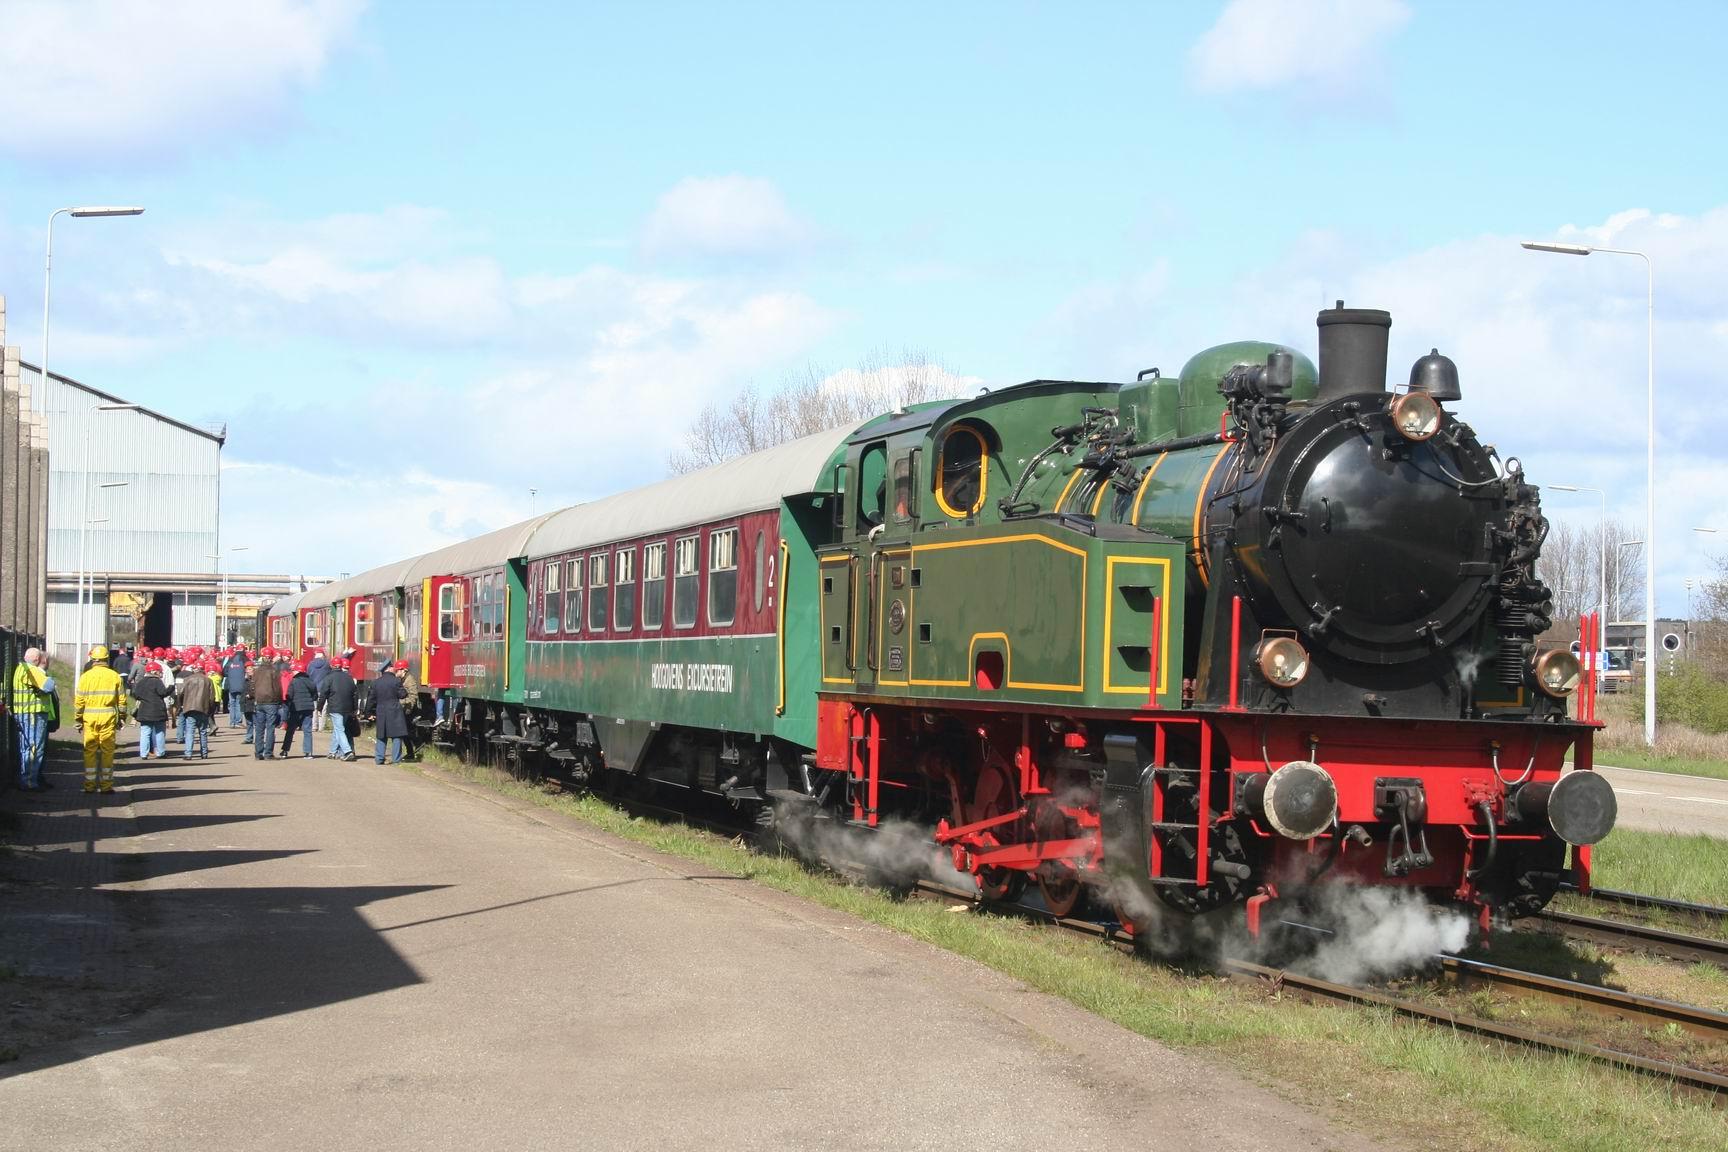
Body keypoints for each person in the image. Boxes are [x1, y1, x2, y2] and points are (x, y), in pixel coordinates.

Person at [74, 645, 127, 793]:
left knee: (89, 751)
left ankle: (89, 785)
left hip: (89, 718)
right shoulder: (114, 676)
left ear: (93, 659)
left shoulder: (85, 677)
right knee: (107, 751)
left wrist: (78, 720)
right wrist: (122, 717)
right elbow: (122, 701)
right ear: (106, 659)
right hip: (108, 718)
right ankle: (106, 786)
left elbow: (79, 702)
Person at [10, 647, 57, 791]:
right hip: (33, 714)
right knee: (34, 747)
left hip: (23, 712)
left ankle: (27, 779)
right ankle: (30, 781)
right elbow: (49, 686)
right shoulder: (31, 670)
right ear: (37, 660)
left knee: (26, 748)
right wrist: (47, 677)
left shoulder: (20, 668)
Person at [318, 655, 359, 761]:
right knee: (338, 729)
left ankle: (347, 751)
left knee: (339, 729)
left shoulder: (329, 678)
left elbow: (323, 694)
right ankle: (332, 752)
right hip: (348, 708)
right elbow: (355, 694)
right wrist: (355, 708)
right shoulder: (349, 678)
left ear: (331, 666)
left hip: (335, 708)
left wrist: (319, 707)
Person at [131, 660, 173, 760]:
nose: (161, 673)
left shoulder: (141, 682)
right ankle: (160, 752)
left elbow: (135, 694)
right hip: (158, 711)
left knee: (145, 732)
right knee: (159, 732)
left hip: (144, 711)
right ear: (154, 671)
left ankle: (143, 754)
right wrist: (170, 688)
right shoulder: (157, 681)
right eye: (159, 671)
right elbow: (162, 693)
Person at [371, 660, 409, 765]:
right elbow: (403, 695)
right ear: (388, 668)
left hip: (381, 711)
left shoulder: (376, 682)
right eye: (392, 666)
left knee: (381, 735)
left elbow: (372, 699)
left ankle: (379, 759)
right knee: (396, 736)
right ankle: (396, 760)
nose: (394, 668)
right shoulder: (396, 681)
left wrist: (369, 713)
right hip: (394, 711)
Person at [177, 659, 216, 759]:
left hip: (190, 709)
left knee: (190, 731)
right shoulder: (208, 680)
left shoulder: (188, 679)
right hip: (203, 708)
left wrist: (181, 705)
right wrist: (211, 710)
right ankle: (204, 753)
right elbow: (212, 698)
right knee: (203, 732)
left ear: (194, 669)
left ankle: (188, 754)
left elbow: (180, 693)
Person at [281, 660, 318, 758]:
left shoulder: (294, 681)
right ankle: (308, 752)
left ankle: (285, 750)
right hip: (308, 708)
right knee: (307, 730)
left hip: (296, 708)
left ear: (298, 671)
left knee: (290, 730)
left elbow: (289, 695)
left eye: (294, 670)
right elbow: (315, 695)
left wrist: (288, 706)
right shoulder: (310, 681)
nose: (292, 672)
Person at [249, 651, 283, 759]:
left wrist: (252, 696)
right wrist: (280, 700)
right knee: (270, 728)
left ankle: (258, 753)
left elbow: (252, 685)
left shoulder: (257, 671)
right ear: (271, 658)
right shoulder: (274, 671)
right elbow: (278, 688)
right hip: (271, 701)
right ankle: (268, 753)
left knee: (259, 727)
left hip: (259, 701)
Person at [222, 645, 249, 727]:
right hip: (241, 684)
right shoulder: (245, 659)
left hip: (231, 685)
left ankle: (232, 722)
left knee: (232, 703)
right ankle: (238, 721)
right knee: (239, 703)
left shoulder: (231, 659)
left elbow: (224, 672)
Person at [400, 662, 422, 761]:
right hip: (405, 709)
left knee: (407, 732)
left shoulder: (410, 680)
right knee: (405, 732)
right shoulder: (403, 679)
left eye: (398, 670)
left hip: (409, 710)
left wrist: (404, 704)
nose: (396, 672)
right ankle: (410, 752)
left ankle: (415, 747)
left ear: (403, 670)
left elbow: (413, 697)